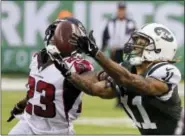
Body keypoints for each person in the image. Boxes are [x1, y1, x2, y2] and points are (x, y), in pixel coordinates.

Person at [49, 23, 182, 135]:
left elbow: (133, 81)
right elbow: (96, 89)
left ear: (159, 49)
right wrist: (67, 71)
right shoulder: (127, 70)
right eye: (136, 41)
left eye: (141, 43)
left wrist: (96, 53)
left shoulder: (165, 71)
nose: (134, 46)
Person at [7, 17, 94, 135]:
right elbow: (34, 95)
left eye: (62, 36)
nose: (55, 39)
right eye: (55, 34)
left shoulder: (76, 66)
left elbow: (92, 85)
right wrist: (19, 106)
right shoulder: (37, 58)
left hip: (58, 131)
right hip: (28, 124)